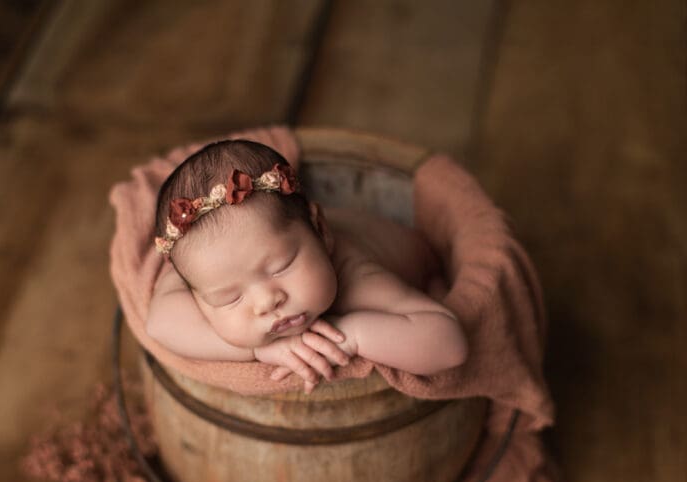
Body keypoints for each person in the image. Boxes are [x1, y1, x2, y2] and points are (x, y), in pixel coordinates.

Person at [145, 139, 467, 393]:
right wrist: (255, 351)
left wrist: (349, 335)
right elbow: (159, 324)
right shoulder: (211, 263)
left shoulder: (358, 279)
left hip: (422, 262)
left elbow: (450, 344)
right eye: (230, 298)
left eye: (281, 267)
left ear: (321, 230)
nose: (266, 302)